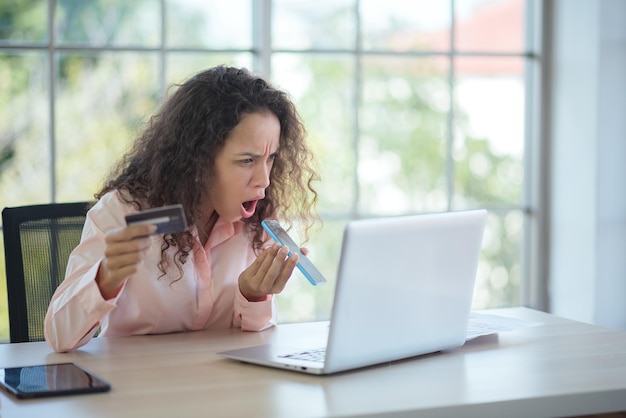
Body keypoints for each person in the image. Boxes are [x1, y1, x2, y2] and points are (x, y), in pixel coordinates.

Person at [44, 65, 319, 352]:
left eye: (270, 158)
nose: (263, 180)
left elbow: (259, 342)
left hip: (220, 388)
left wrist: (253, 296)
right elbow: (58, 337)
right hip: (136, 388)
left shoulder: (259, 219)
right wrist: (105, 278)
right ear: (200, 159)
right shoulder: (122, 212)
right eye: (247, 161)